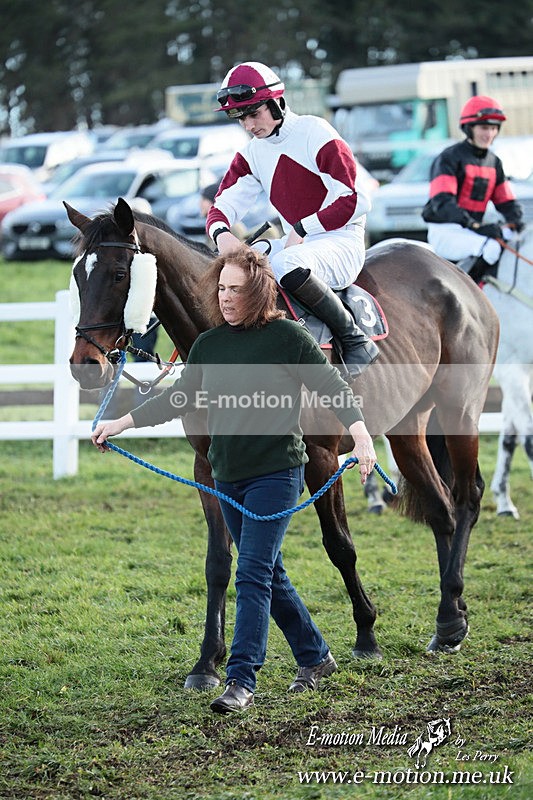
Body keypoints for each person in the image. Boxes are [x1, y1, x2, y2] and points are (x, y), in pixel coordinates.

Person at [92, 248, 377, 714]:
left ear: (257, 291)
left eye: (236, 290)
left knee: (251, 574)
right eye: (221, 289)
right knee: (269, 573)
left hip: (276, 475)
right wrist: (121, 422)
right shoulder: (208, 346)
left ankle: (241, 677)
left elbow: (332, 388)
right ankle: (315, 655)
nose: (225, 298)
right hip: (227, 477)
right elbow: (178, 398)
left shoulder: (288, 338)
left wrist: (362, 436)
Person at [205, 61, 379, 378]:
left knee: (283, 264)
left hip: (340, 242)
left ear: (276, 102)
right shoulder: (252, 152)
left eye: (253, 114)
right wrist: (221, 234)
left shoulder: (315, 131)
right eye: (240, 117)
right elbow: (222, 205)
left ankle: (355, 339)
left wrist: (303, 227)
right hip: (296, 247)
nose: (248, 125)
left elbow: (356, 200)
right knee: (240, 267)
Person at [422, 95, 524, 283]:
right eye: (484, 128)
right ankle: (468, 296)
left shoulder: (494, 162)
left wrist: (516, 221)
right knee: (491, 248)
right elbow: (443, 202)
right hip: (446, 230)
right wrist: (475, 226)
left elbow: (507, 202)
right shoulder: (449, 157)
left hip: (470, 231)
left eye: (494, 128)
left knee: (513, 240)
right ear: (469, 128)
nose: (489, 134)